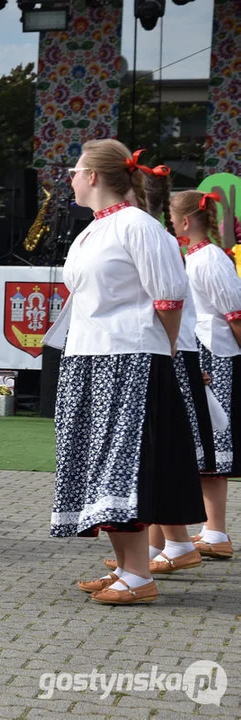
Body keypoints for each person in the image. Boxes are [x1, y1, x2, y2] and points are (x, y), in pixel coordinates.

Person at [53, 140, 204, 606]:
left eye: (75, 171)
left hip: (130, 358)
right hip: (89, 356)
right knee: (98, 463)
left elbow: (169, 296)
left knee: (123, 463)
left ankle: (139, 575)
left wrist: (164, 349)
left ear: (94, 176)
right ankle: (126, 568)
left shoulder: (138, 225)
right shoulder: (91, 231)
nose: (71, 179)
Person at [171, 190, 241, 562]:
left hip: (215, 353)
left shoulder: (210, 259)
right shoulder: (197, 258)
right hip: (203, 350)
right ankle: (211, 530)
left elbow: (234, 313)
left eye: (172, 217)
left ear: (185, 221)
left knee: (214, 438)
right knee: (203, 441)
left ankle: (215, 531)